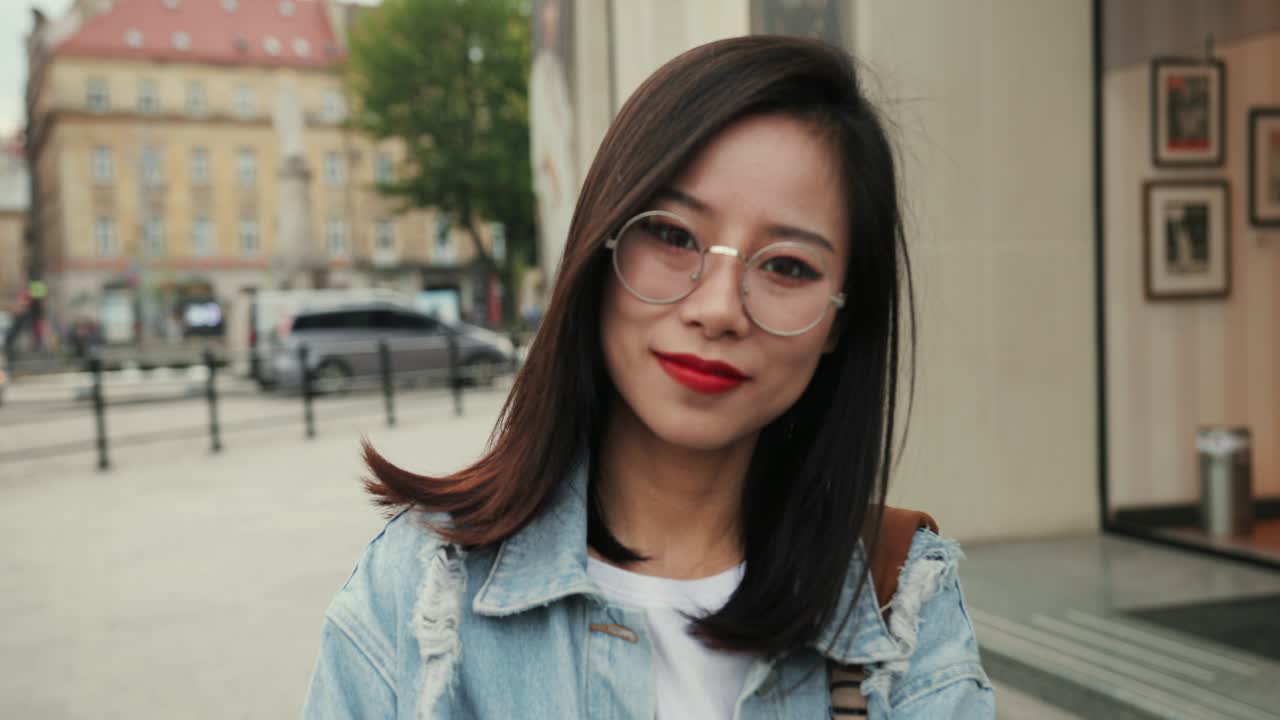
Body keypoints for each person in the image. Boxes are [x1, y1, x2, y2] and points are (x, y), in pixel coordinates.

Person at [304, 36, 993, 719]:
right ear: (601, 245)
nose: (718, 308)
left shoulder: (902, 607)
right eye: (672, 235)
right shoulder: (421, 592)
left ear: (841, 319)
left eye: (787, 266)